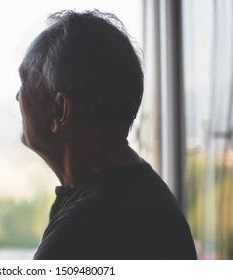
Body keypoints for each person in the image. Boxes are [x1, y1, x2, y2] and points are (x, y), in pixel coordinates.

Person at [15, 10, 197, 260]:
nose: (18, 97)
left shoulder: (89, 224)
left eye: (24, 84)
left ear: (60, 110)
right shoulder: (137, 193)